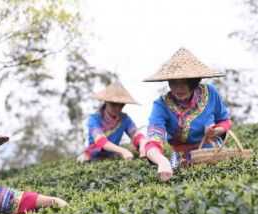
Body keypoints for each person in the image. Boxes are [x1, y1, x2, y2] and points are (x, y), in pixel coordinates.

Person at [143, 48, 233, 181]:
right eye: (174, 82)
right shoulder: (161, 105)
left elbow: (225, 121)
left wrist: (216, 131)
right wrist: (162, 162)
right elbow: (153, 141)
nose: (178, 88)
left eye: (184, 82)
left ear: (194, 81)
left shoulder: (210, 93)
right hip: (181, 156)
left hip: (211, 151)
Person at [78, 82, 146, 162]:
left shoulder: (125, 119)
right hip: (92, 157)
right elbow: (100, 141)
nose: (117, 108)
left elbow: (136, 134)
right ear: (106, 102)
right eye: (113, 104)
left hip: (112, 156)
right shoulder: (94, 119)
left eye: (121, 105)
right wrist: (123, 151)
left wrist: (142, 144)